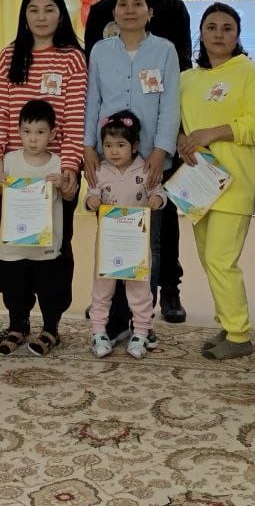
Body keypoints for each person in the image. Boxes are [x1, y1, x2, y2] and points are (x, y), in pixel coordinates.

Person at [84, 0, 191, 323]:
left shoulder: (165, 45)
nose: (129, 10)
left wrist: (162, 150)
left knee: (157, 232)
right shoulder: (100, 43)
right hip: (110, 155)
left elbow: (171, 101)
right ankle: (113, 306)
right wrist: (87, 146)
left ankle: (157, 300)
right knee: (115, 229)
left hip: (152, 155)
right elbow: (92, 98)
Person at [175, 3, 255, 360]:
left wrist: (210, 133)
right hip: (199, 183)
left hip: (236, 182)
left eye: (227, 28)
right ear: (200, 33)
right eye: (211, 27)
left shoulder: (250, 73)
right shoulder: (188, 78)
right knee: (209, 258)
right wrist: (181, 140)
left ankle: (239, 334)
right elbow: (178, 123)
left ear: (238, 35)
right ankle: (228, 323)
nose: (219, 34)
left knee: (220, 258)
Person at [0, 0, 87, 305]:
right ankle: (18, 320)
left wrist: (70, 167)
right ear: (24, 16)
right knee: (16, 244)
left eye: (49, 9)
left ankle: (52, 322)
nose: (41, 17)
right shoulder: (8, 56)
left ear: (61, 16)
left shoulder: (73, 58)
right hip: (15, 170)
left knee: (55, 246)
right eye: (34, 10)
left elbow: (75, 117)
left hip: (55, 170)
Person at [0, 100, 74, 357]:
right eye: (26, 131)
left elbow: (70, 196)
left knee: (50, 289)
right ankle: (17, 327)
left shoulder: (58, 163)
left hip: (46, 246)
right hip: (14, 244)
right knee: (14, 288)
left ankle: (50, 329)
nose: (33, 139)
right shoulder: (9, 161)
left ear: (53, 134)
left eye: (40, 132)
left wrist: (62, 185)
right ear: (18, 132)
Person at [86, 111, 167, 359]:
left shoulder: (145, 169)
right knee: (102, 288)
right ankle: (98, 331)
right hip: (108, 243)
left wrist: (156, 199)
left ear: (134, 146)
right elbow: (90, 194)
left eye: (120, 145)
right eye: (108, 145)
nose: (113, 151)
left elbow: (160, 192)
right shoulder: (100, 171)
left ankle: (141, 331)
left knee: (139, 288)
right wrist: (92, 201)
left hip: (137, 243)